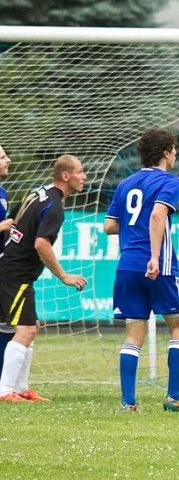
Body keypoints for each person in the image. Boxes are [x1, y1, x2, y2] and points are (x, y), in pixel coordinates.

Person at [104, 129, 179, 412]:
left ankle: (128, 402)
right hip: (159, 265)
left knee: (133, 334)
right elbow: (157, 214)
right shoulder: (169, 180)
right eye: (175, 149)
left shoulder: (126, 183)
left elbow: (108, 226)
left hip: (127, 264)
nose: (176, 154)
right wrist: (155, 256)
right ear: (166, 152)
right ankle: (173, 398)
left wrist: (135, 227)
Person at [0, 155, 89, 403]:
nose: (84, 177)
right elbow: (41, 244)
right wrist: (64, 276)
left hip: (9, 268)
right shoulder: (55, 206)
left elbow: (14, 221)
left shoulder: (38, 192)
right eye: (80, 172)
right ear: (65, 176)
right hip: (15, 274)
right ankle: (5, 390)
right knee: (26, 330)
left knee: (30, 327)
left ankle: (20, 388)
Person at [0, 145, 14, 370]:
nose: (8, 160)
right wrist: (12, 222)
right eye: (2, 157)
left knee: (8, 322)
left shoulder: (2, 192)